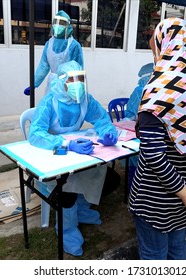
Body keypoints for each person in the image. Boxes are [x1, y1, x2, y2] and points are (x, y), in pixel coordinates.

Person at [128, 17, 186, 260]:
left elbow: (153, 154)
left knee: (153, 255)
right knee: (178, 248)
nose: (155, 58)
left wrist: (183, 192)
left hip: (155, 202)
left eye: (155, 51)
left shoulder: (157, 93)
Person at [28, 60, 118, 256]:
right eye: (72, 80)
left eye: (81, 79)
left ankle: (82, 209)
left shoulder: (85, 99)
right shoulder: (49, 102)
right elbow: (35, 134)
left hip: (76, 157)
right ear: (61, 81)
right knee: (66, 187)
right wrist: (67, 144)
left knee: (105, 176)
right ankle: (66, 229)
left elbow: (102, 119)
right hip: (52, 156)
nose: (78, 85)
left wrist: (108, 133)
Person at [24, 10, 84, 96]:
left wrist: (77, 90)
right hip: (52, 84)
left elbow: (78, 69)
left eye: (62, 23)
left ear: (68, 25)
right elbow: (43, 66)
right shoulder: (49, 44)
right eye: (56, 22)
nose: (58, 25)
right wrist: (34, 84)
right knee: (50, 106)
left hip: (68, 85)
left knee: (65, 107)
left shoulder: (74, 45)